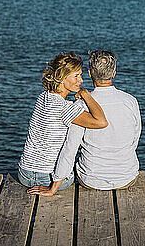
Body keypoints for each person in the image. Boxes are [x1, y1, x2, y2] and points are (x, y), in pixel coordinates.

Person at [28, 50, 141, 195]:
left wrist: (54, 186)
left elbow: (70, 149)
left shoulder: (80, 105)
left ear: (89, 73)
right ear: (114, 73)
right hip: (126, 177)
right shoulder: (131, 101)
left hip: (91, 180)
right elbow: (134, 139)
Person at [18, 51, 108, 190]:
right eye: (76, 76)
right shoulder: (65, 108)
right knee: (81, 173)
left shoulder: (43, 97)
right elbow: (101, 122)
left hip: (24, 173)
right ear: (62, 77)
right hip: (46, 177)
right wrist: (85, 95)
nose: (81, 80)